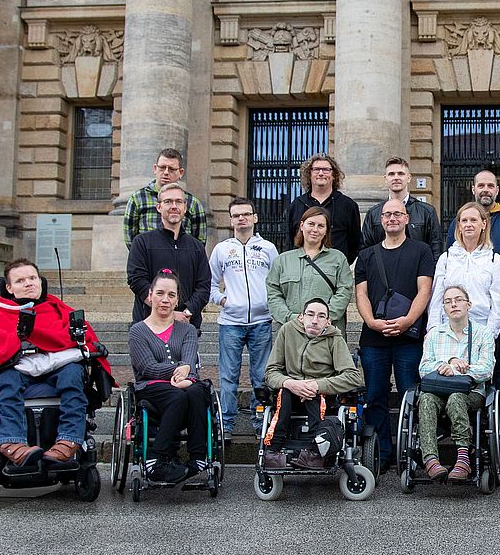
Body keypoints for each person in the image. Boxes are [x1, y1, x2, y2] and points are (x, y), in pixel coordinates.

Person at [0, 259, 111, 472]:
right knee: (7, 379)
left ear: (40, 281)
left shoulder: (59, 310)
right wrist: (8, 345)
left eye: (32, 278)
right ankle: (12, 442)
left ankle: (69, 440)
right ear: (9, 288)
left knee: (73, 374)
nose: (28, 284)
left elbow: (84, 339)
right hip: (16, 370)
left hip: (57, 371)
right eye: (20, 280)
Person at [355, 198, 436, 471]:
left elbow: (425, 289)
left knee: (409, 393)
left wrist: (408, 320)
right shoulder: (367, 255)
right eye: (387, 214)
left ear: (406, 218)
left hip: (409, 336)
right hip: (373, 338)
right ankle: (383, 453)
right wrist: (372, 322)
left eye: (397, 214)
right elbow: (361, 294)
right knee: (375, 394)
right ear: (380, 220)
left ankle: (410, 451)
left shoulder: (421, 251)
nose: (392, 218)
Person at [448, 170, 500, 435]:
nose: (485, 189)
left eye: (490, 185)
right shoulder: (457, 222)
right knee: (467, 366)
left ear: (497, 190)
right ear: (473, 189)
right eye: (481, 185)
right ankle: (469, 421)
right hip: (466, 315)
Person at [127, 270, 212, 484]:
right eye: (160, 293)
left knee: (198, 391)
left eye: (171, 295)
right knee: (178, 396)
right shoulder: (138, 331)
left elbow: (190, 361)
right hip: (152, 387)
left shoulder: (187, 330)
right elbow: (147, 367)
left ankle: (198, 457)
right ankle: (156, 458)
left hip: (187, 383)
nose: (165, 300)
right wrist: (177, 372)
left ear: (177, 300)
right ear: (150, 296)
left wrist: (187, 376)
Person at [261, 297, 364, 470]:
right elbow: (270, 372)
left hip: (323, 394)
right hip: (291, 391)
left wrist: (317, 385)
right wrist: (289, 383)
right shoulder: (287, 331)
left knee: (313, 393)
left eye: (321, 316)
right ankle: (272, 452)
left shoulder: (334, 338)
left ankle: (316, 452)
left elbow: (353, 377)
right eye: (310, 314)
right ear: (301, 317)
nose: (315, 320)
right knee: (284, 392)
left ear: (328, 321)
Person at [209, 197, 278, 437]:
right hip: (230, 323)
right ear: (231, 220)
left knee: (261, 377)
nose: (242, 218)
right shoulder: (222, 249)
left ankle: (260, 423)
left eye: (246, 214)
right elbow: (209, 284)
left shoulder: (268, 248)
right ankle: (226, 425)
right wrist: (223, 300)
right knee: (228, 377)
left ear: (255, 218)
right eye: (237, 215)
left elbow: (277, 282)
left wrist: (269, 303)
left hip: (261, 321)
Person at [417, 285, 496, 482]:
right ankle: (431, 460)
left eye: (458, 299)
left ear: (469, 304)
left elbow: (487, 369)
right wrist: (448, 363)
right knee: (425, 399)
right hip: (437, 390)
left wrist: (461, 369)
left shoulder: (483, 333)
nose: (453, 304)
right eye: (448, 301)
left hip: (471, 392)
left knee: (456, 398)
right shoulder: (434, 335)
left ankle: (463, 458)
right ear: (444, 308)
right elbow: (424, 368)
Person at [127, 183, 212, 332]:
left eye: (178, 202)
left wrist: (186, 313)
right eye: (168, 201)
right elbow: (137, 281)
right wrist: (170, 313)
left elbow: (203, 287)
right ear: (159, 207)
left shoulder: (196, 247)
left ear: (185, 208)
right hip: (149, 328)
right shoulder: (142, 242)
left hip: (187, 326)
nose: (174, 206)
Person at [430, 201, 500, 341]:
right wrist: (434, 329)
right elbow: (436, 298)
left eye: (473, 220)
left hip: (482, 330)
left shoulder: (494, 260)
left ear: (483, 224)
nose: (468, 224)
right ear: (459, 226)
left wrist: (488, 334)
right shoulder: (446, 259)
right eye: (464, 220)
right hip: (448, 331)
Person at [266, 205, 353, 334]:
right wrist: (291, 318)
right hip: (291, 331)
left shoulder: (338, 259)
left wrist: (323, 318)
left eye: (321, 226)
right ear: (302, 226)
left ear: (326, 231)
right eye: (311, 224)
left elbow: (344, 291)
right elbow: (273, 294)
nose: (315, 229)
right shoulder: (282, 260)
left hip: (327, 333)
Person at [360, 156, 444, 258]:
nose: (396, 177)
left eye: (401, 173)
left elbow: (436, 250)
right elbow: (365, 250)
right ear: (385, 179)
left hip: (418, 272)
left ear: (408, 178)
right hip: (383, 272)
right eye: (391, 174)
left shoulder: (427, 212)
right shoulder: (374, 213)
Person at [284, 153, 361, 263]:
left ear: (334, 175)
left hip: (335, 270)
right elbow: (290, 240)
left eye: (326, 170)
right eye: (316, 169)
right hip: (302, 269)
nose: (321, 173)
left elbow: (355, 243)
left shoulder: (348, 205)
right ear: (309, 174)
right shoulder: (297, 204)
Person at [123, 148, 208, 246]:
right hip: (148, 258)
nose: (166, 172)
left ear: (181, 173)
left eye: (171, 169)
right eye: (162, 167)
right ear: (155, 169)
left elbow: (199, 242)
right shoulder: (138, 199)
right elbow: (130, 238)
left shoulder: (192, 203)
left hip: (181, 258)